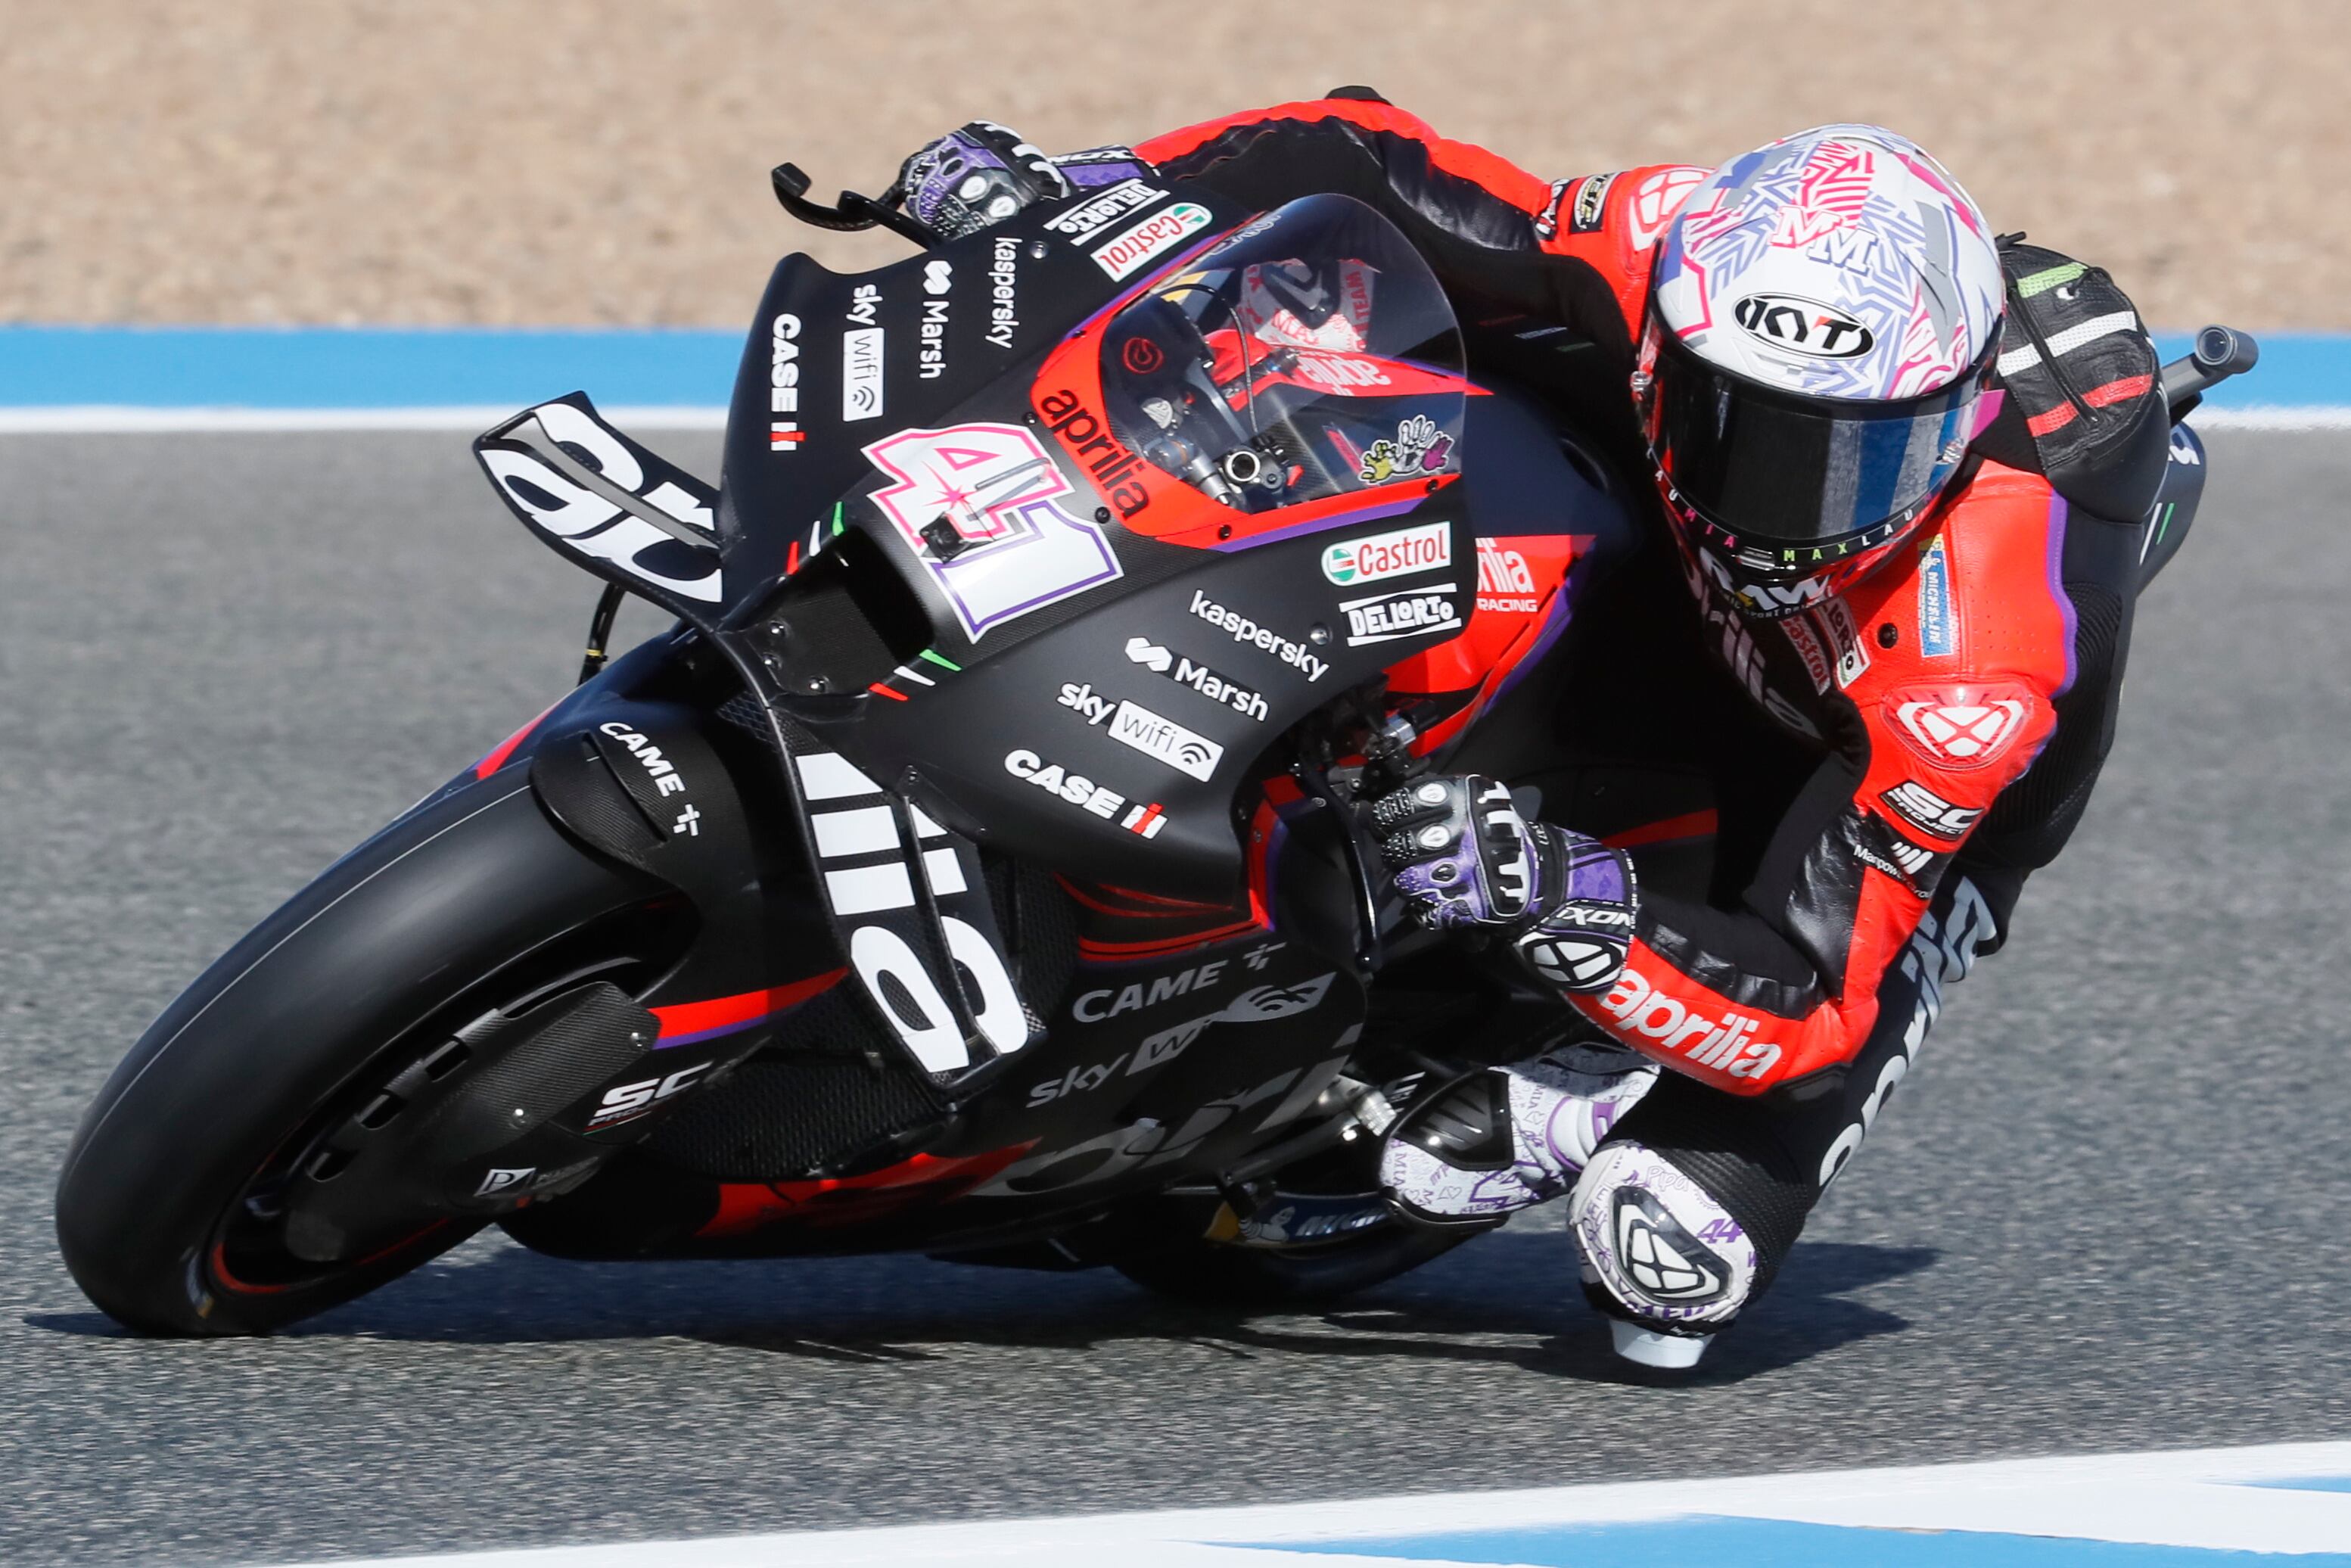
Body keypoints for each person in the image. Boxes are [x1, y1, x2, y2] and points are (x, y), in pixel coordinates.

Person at [896, 101, 2172, 1368]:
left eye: (1851, 460)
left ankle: (1594, 1057)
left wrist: (1572, 894)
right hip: (1652, 528)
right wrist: (1089, 189)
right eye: (1742, 424)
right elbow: (1355, 153)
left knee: (1671, 1262)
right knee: (1352, 359)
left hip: (1879, 763)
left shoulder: (1977, 674)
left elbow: (1805, 995)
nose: (1782, 506)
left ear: (1947, 430)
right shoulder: (1662, 238)